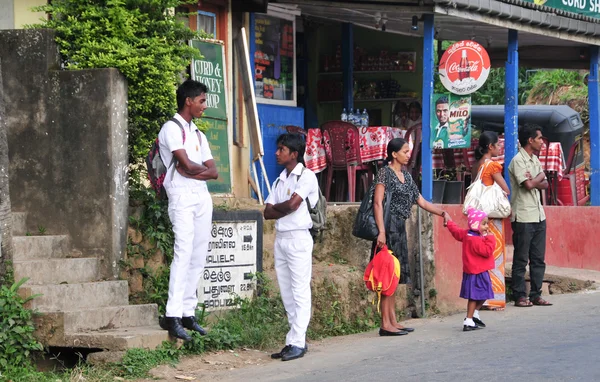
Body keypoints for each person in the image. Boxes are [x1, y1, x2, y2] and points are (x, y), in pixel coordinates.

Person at [158, 79, 218, 341]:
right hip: (181, 197)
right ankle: (172, 316)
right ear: (188, 101)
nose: (205, 106)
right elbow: (184, 164)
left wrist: (194, 170)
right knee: (183, 253)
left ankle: (187, 313)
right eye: (202, 101)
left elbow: (212, 171)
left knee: (198, 254)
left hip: (201, 197)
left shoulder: (198, 134)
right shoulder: (171, 129)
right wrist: (194, 169)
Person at [373, 138, 450, 336]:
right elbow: (377, 203)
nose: (408, 154)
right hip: (388, 227)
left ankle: (392, 320)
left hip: (399, 227)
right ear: (394, 154)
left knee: (394, 276)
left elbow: (422, 202)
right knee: (387, 275)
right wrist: (381, 231)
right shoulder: (385, 173)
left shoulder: (406, 176)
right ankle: (385, 323)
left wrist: (442, 212)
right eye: (405, 151)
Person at [264, 133, 319, 361]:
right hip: (282, 238)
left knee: (299, 291)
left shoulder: (306, 176)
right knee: (287, 292)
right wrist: (283, 208)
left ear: (294, 154)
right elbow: (267, 212)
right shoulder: (280, 180)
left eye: (281, 149)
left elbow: (294, 205)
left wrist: (282, 208)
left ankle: (298, 341)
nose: (277, 153)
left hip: (298, 238)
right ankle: (294, 340)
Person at [508, 124, 552, 307]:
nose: (542, 142)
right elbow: (527, 185)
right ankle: (519, 295)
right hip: (524, 216)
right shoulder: (518, 160)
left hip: (538, 214)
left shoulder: (535, 160)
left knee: (538, 258)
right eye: (540, 138)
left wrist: (536, 179)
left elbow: (545, 183)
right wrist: (537, 179)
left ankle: (535, 294)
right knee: (521, 258)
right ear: (530, 140)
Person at [471, 131, 510, 310]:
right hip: (492, 218)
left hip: (479, 217)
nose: (499, 147)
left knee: (481, 258)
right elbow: (506, 189)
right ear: (490, 147)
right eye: (497, 145)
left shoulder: (477, 165)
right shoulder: (492, 166)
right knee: (494, 256)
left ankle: (482, 297)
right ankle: (493, 298)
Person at [447, 207, 496, 331]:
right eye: (484, 224)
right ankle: (469, 320)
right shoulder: (475, 239)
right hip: (477, 271)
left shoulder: (468, 234)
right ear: (475, 224)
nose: (486, 227)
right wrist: (490, 238)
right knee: (475, 296)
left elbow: (456, 231)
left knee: (485, 293)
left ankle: (474, 314)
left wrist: (449, 222)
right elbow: (487, 251)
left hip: (474, 271)